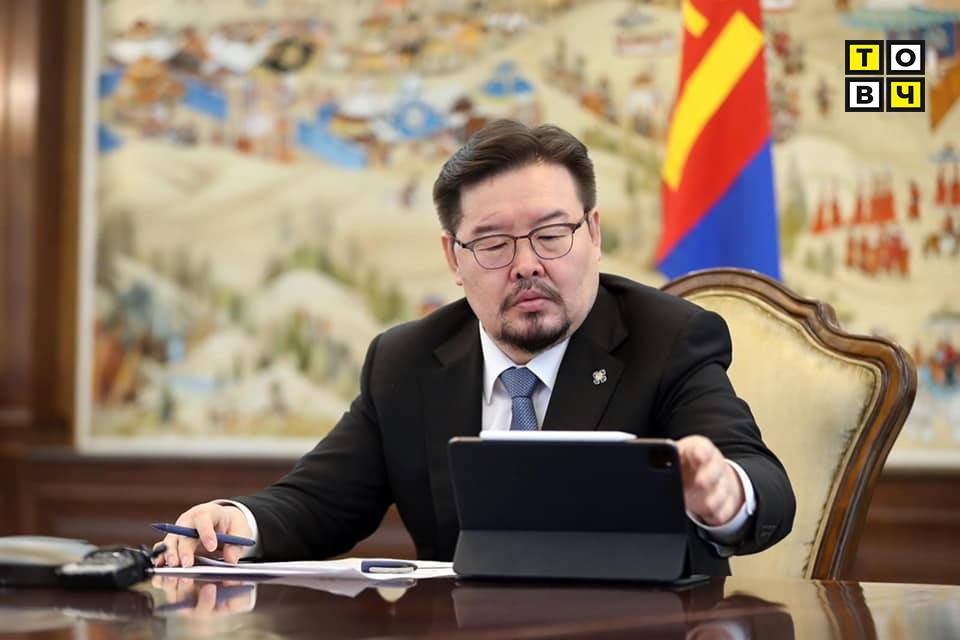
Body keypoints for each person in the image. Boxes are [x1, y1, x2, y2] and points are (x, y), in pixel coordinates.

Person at [155, 120, 795, 576]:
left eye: (551, 235)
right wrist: (238, 522)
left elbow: (765, 482)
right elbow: (320, 501)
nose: (526, 265)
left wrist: (724, 495)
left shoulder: (668, 338)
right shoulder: (406, 361)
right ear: (453, 258)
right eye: (492, 243)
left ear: (593, 234)